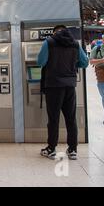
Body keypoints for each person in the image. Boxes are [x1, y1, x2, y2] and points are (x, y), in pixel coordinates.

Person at [37, 25, 89, 160]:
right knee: (71, 118)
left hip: (53, 85)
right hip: (70, 86)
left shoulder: (49, 42)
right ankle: (72, 150)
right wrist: (72, 65)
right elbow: (84, 63)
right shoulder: (75, 44)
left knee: (53, 119)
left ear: (54, 32)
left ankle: (51, 149)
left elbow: (41, 61)